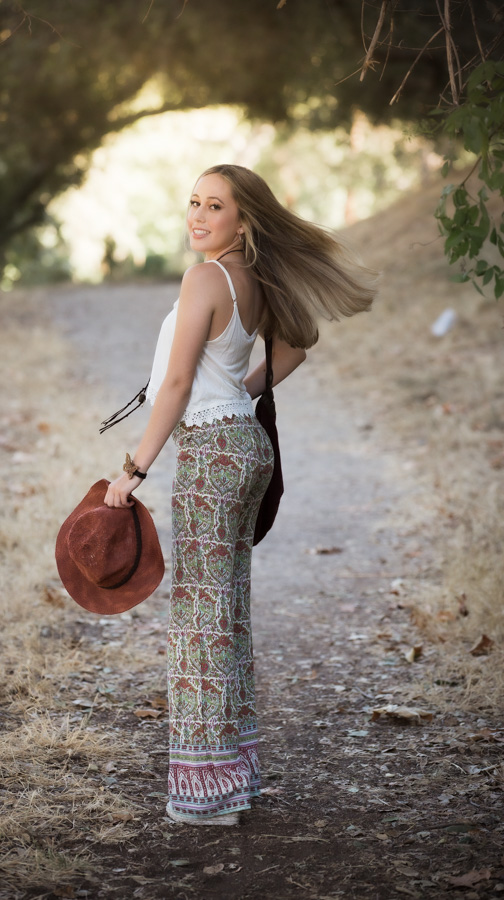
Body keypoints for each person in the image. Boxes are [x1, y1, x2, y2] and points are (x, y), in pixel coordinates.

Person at [104, 164, 377, 825]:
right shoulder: (252, 279)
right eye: (194, 202)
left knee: (200, 621)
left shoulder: (206, 278)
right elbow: (299, 348)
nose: (198, 216)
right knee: (225, 614)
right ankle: (234, 778)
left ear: (244, 219)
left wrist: (133, 470)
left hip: (212, 452)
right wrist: (236, 396)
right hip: (243, 445)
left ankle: (206, 794)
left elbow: (175, 386)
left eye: (215, 206)